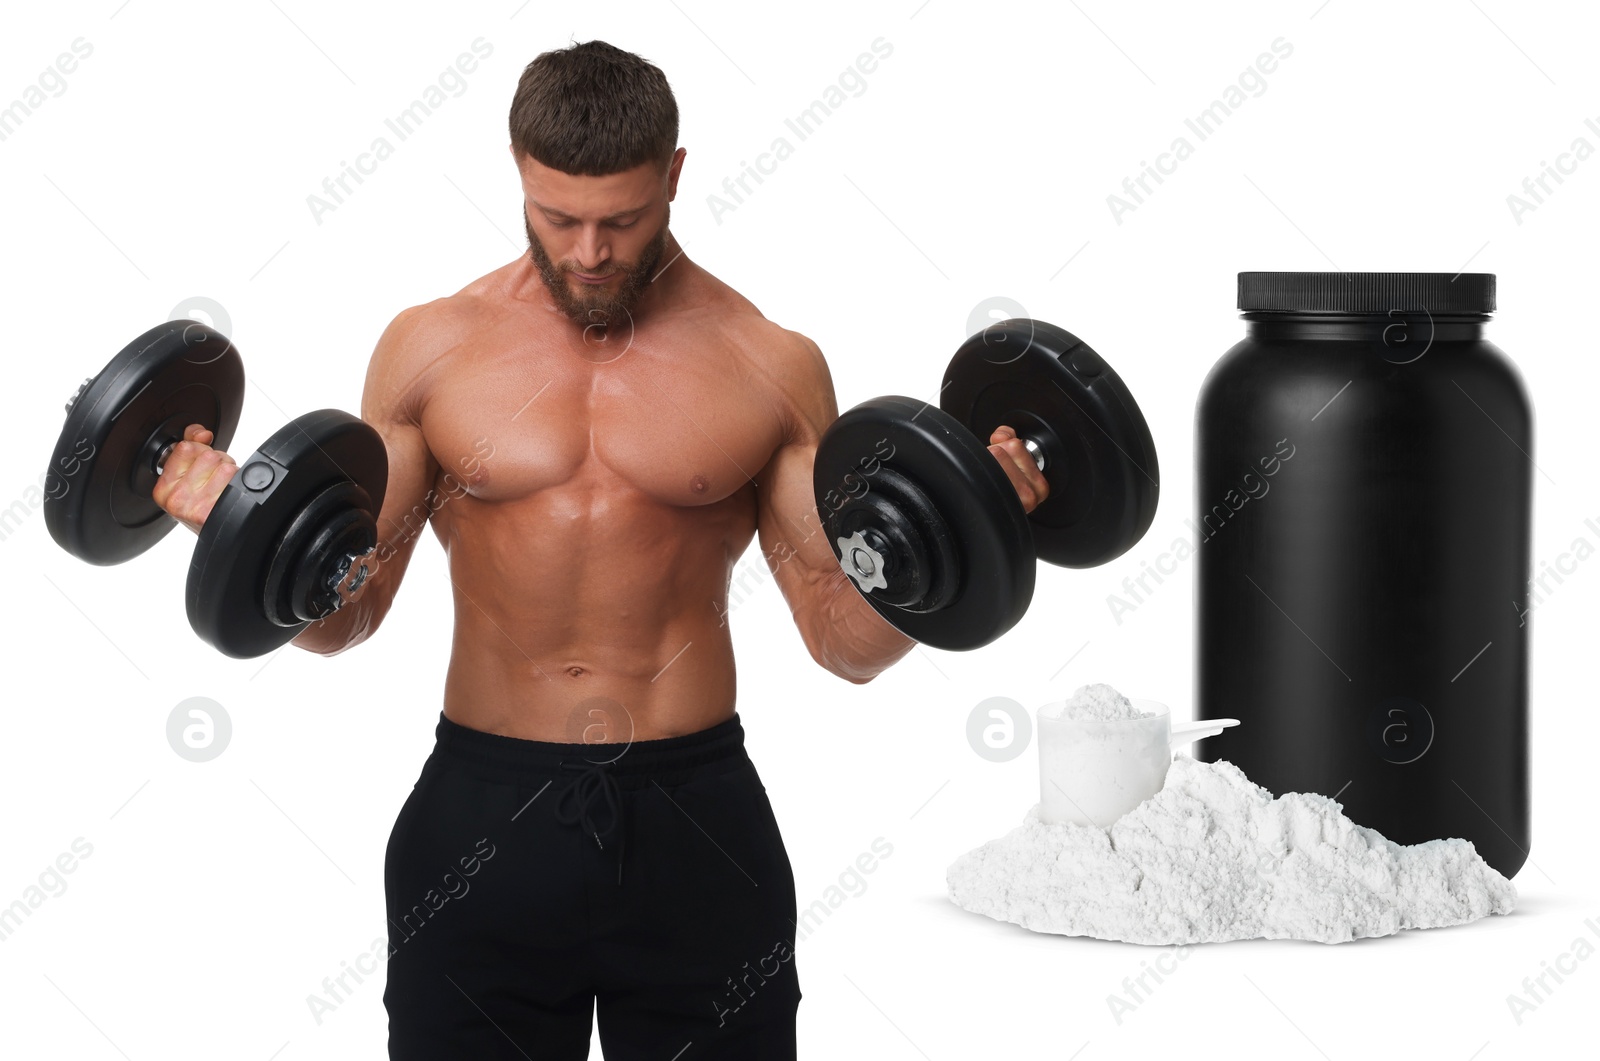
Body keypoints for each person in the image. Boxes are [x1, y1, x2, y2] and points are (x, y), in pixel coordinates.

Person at [152, 39, 1047, 1061]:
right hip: (480, 819)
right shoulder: (432, 348)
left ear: (673, 175)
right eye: (558, 217)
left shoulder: (768, 362)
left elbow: (839, 636)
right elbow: (346, 613)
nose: (588, 253)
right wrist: (238, 524)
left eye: (621, 221)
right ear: (518, 174)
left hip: (696, 824)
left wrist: (966, 526)